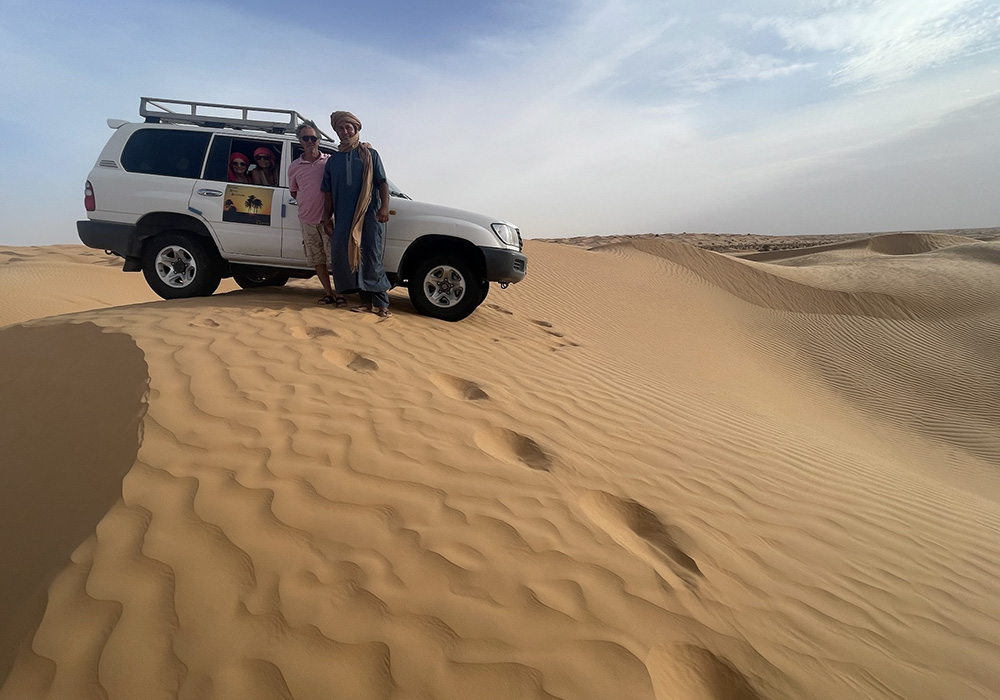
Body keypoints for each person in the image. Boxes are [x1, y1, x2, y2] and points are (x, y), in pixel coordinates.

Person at [321, 111, 392, 318]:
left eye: (348, 128)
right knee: (351, 255)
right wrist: (327, 218)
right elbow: (327, 192)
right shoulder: (333, 161)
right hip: (344, 215)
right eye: (340, 128)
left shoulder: (370, 154)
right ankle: (365, 302)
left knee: (371, 255)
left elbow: (382, 183)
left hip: (369, 214)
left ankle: (382, 303)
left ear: (356, 129)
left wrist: (384, 207)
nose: (345, 132)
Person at [288, 121, 339, 305]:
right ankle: (329, 293)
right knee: (317, 259)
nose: (310, 141)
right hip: (307, 220)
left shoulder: (329, 162)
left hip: (329, 220)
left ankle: (341, 293)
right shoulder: (294, 167)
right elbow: (294, 191)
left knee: (336, 259)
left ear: (318, 139)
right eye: (305, 138)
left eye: (313, 138)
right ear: (300, 141)